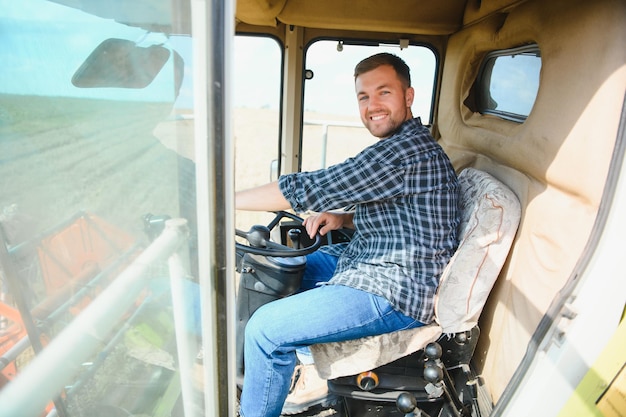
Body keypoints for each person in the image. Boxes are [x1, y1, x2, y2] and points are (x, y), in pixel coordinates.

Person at [235, 52, 459, 417]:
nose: (372, 106)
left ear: (409, 96)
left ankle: (261, 394)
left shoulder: (404, 153)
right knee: (271, 271)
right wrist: (344, 219)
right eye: (363, 97)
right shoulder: (405, 146)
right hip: (366, 260)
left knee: (265, 331)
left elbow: (312, 187)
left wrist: (221, 200)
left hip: (395, 290)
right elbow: (408, 218)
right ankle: (269, 376)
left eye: (384, 92)